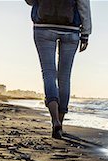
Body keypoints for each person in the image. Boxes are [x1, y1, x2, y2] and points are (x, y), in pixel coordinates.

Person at [26, 0, 92, 139]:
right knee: (65, 77)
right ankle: (60, 123)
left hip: (43, 27)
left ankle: (55, 121)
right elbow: (84, 5)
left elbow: (30, 1)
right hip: (71, 29)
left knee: (48, 73)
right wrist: (85, 34)